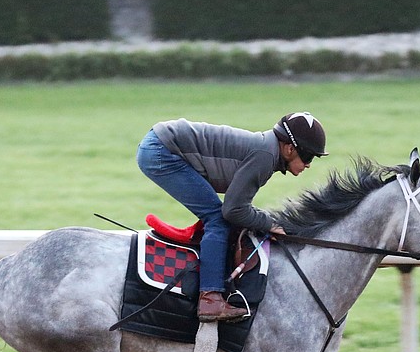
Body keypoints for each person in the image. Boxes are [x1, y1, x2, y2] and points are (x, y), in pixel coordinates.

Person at [136, 112, 328, 322]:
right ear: (289, 148)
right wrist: (269, 223)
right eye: (309, 156)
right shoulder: (264, 156)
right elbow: (233, 210)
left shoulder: (267, 152)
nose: (309, 164)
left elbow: (237, 208)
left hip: (161, 144)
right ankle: (210, 300)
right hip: (161, 151)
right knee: (217, 220)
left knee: (220, 218)